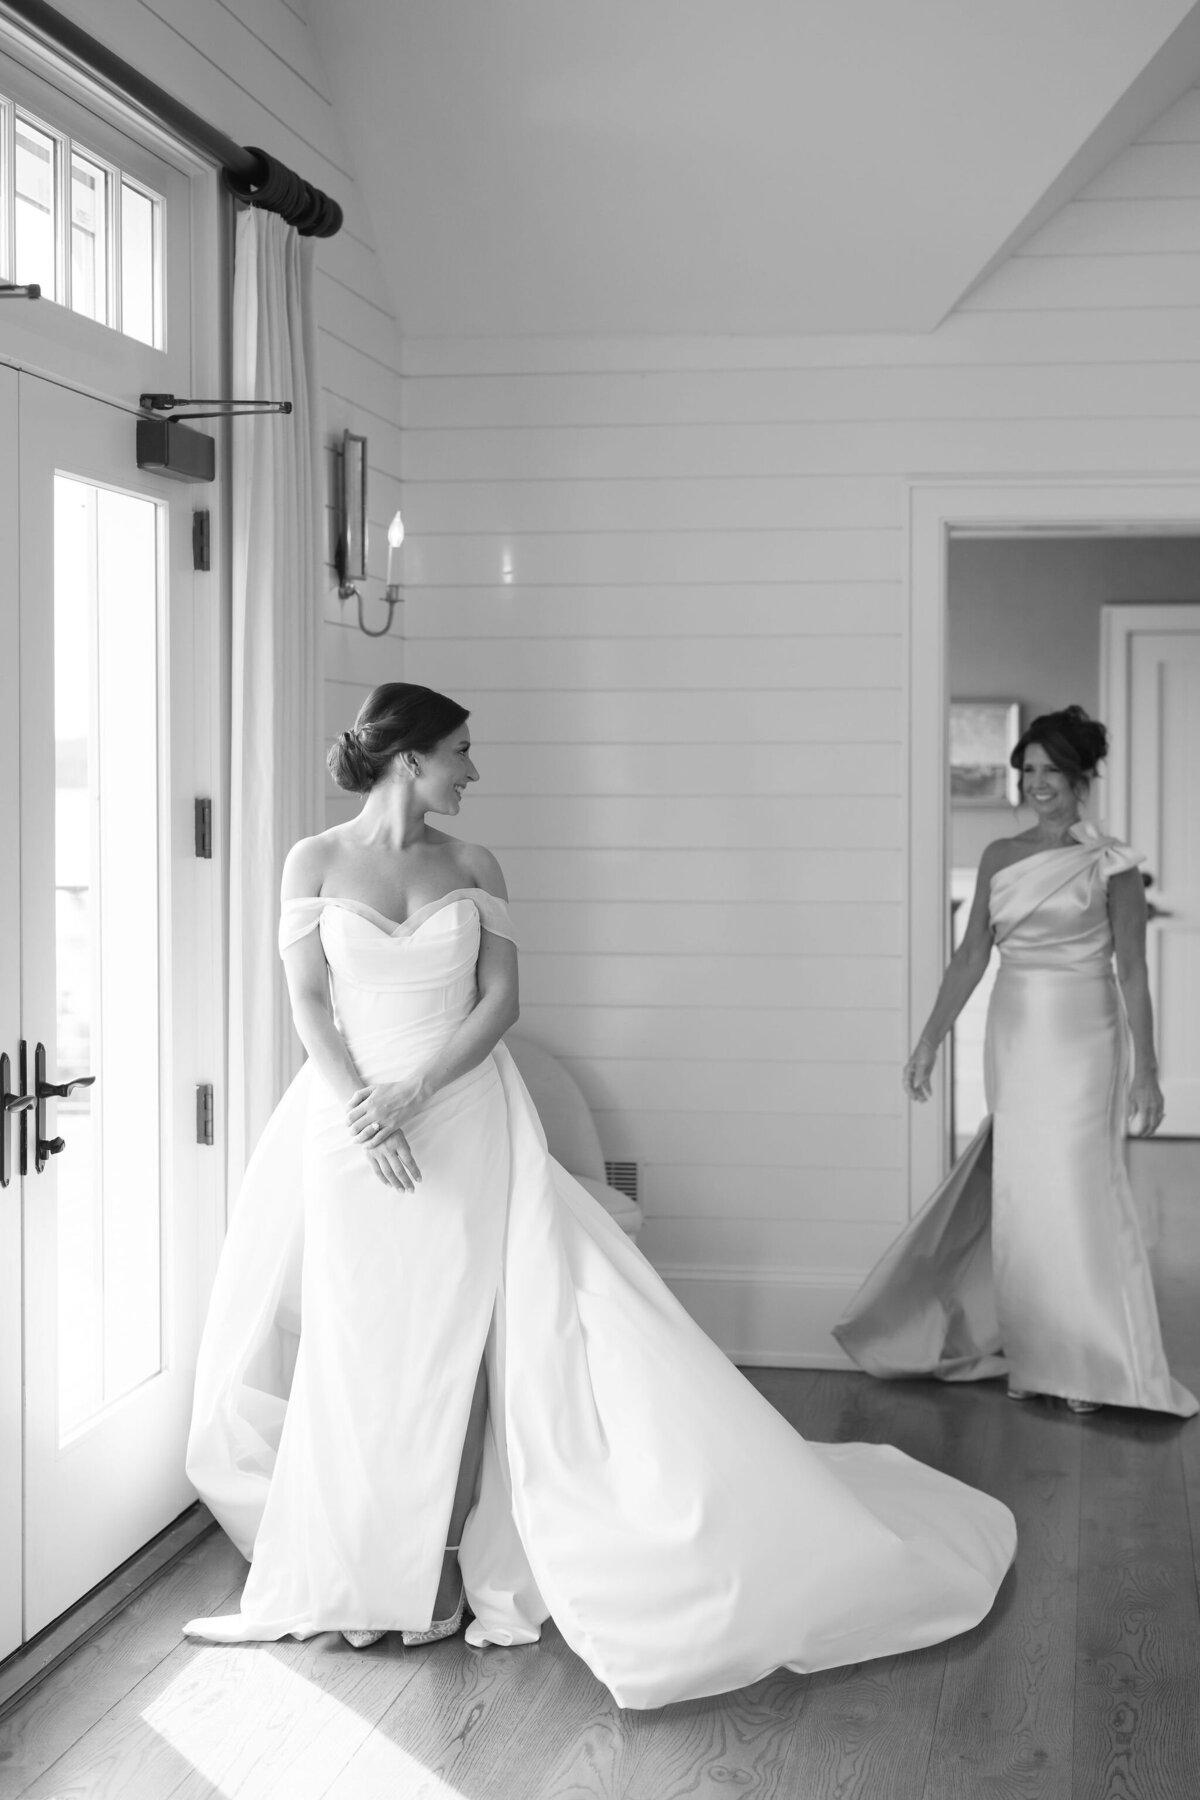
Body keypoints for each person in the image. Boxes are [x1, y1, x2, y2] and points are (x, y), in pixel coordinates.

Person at [185, 681, 1016, 1709]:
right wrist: (364, 1106)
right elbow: (310, 1001)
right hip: (350, 1127)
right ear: (408, 759)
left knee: (462, 1338)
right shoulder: (312, 861)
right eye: (459, 752)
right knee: (358, 1339)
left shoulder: (474, 865)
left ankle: (445, 1565)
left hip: (462, 1113)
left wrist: (416, 1089)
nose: (472, 771)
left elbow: (502, 1001)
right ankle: (354, 1570)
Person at [835, 704, 1196, 1419]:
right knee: (1024, 1195)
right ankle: (1036, 1355)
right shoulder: (1001, 857)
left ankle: (1094, 1361)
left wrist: (1147, 1069)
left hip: (1087, 1035)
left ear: (1080, 776)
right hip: (1018, 1035)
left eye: (1049, 771)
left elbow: (1133, 971)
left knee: (1080, 1191)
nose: (1035, 783)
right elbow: (971, 957)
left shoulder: (1111, 862)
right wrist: (930, 1038)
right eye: (1026, 770)